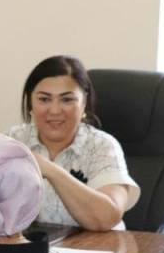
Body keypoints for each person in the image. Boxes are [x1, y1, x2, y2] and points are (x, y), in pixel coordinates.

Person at [8, 55, 140, 230]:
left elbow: (107, 218)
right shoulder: (15, 140)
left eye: (67, 99)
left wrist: (50, 170)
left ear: (84, 103)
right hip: (36, 245)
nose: (55, 110)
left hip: (97, 246)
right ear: (31, 102)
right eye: (44, 99)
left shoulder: (102, 146)